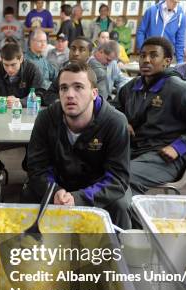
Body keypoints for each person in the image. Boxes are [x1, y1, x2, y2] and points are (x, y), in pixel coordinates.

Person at [23, 62, 132, 229]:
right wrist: (55, 192)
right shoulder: (46, 118)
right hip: (59, 183)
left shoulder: (115, 122)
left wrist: (80, 198)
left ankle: (118, 250)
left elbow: (117, 178)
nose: (69, 95)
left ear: (94, 93)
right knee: (28, 193)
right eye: (64, 88)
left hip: (97, 186)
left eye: (78, 87)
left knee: (120, 204)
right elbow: (37, 167)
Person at [113, 37, 186, 196]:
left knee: (120, 179)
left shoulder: (181, 89)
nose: (146, 60)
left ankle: (132, 220)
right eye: (142, 55)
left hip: (164, 157)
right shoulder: (131, 87)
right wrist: (122, 120)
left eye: (153, 55)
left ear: (167, 61)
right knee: (90, 167)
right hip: (132, 150)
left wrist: (179, 147)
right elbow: (115, 108)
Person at [0, 42, 47, 108]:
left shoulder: (32, 69)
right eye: (5, 65)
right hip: (0, 114)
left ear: (21, 59)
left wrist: (20, 102)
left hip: (24, 115)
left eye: (13, 64)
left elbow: (40, 95)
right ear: (1, 60)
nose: (9, 69)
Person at [43, 37, 107, 106]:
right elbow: (48, 95)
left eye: (81, 50)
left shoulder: (98, 73)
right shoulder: (66, 68)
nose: (76, 53)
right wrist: (63, 101)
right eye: (73, 49)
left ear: (90, 54)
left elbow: (99, 103)